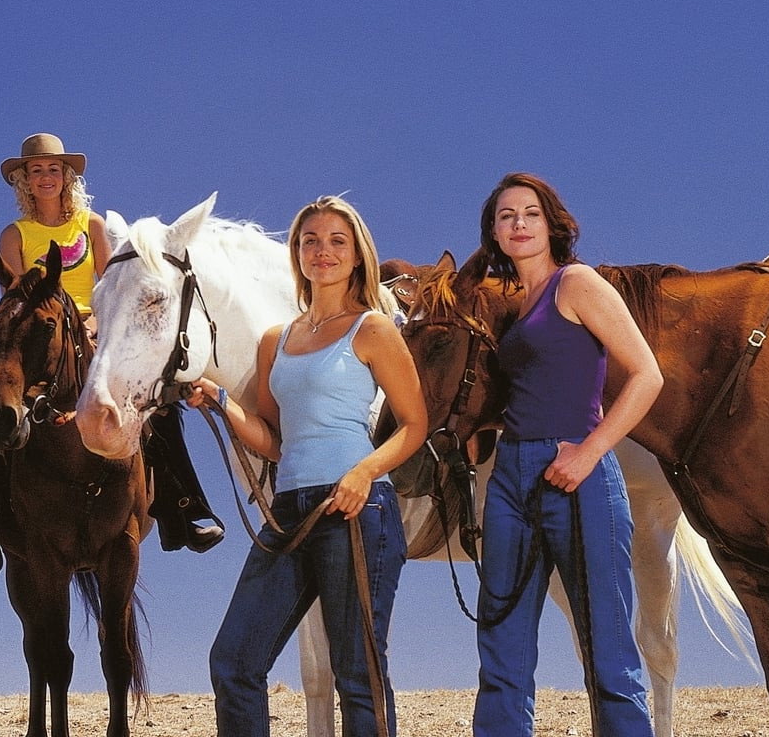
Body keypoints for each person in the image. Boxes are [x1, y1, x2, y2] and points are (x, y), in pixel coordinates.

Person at [185, 195, 426, 737]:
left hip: (357, 508)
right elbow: (274, 442)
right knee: (233, 661)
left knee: (357, 673)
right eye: (310, 240)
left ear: (358, 255)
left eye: (337, 241)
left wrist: (363, 472)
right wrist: (223, 402)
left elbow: (414, 424)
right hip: (289, 510)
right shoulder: (277, 340)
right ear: (296, 252)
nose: (323, 251)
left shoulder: (373, 329)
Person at [0, 133, 220, 578]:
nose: (45, 177)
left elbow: (112, 286)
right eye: (36, 171)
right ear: (24, 180)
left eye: (53, 169)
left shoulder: (93, 225)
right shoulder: (14, 234)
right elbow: (18, 298)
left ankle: (181, 509)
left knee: (158, 404)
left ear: (67, 176)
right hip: (37, 340)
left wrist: (94, 325)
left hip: (94, 330)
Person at [469, 173, 662, 737]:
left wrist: (589, 452)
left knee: (606, 643)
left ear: (552, 224)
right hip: (511, 477)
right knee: (500, 640)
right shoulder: (515, 307)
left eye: (530, 213)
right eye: (506, 216)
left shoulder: (576, 283)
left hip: (577, 474)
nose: (519, 224)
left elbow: (647, 375)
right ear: (494, 233)